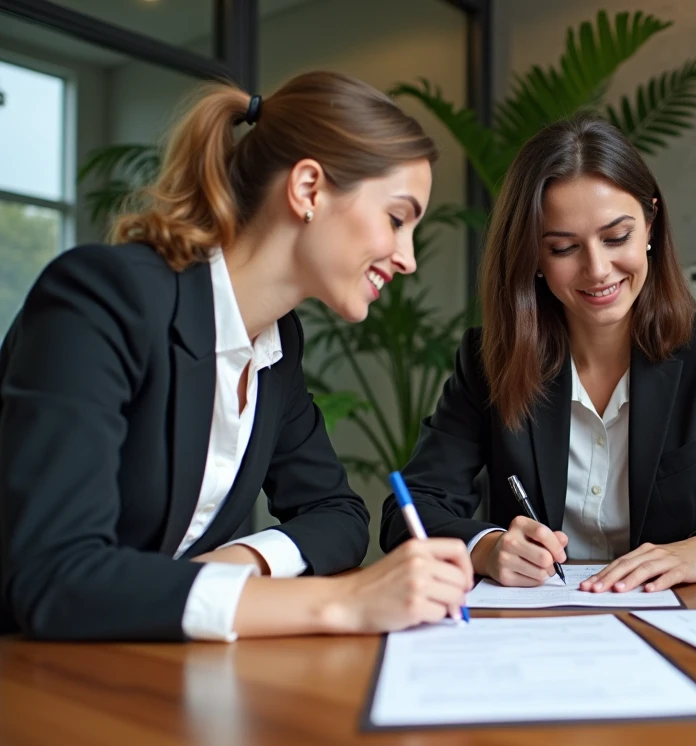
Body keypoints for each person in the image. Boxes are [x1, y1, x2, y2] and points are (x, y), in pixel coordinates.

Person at [0, 71, 472, 641]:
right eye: (397, 220)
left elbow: (339, 516)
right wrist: (340, 602)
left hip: (140, 669)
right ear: (308, 189)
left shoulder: (275, 345)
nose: (408, 258)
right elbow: (54, 578)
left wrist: (229, 571)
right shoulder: (104, 299)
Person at [382, 116, 696, 593]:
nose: (597, 269)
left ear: (650, 223)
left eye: (616, 238)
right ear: (534, 259)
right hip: (531, 629)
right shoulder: (490, 361)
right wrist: (485, 547)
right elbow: (410, 509)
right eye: (564, 248)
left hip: (668, 621)